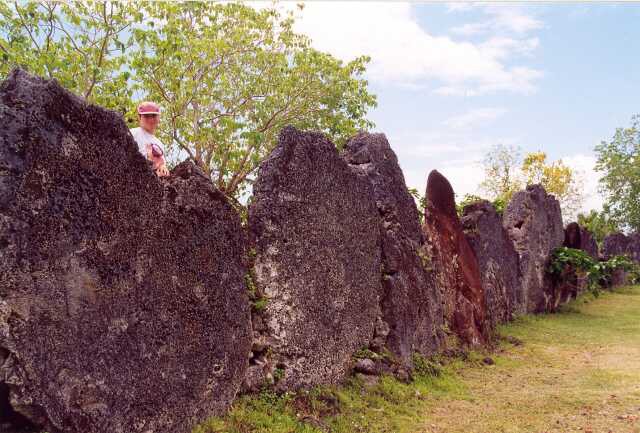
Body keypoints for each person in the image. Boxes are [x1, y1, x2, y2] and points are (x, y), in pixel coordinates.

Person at [129, 101, 170, 177]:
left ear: (159, 117)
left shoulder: (159, 143)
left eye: (154, 116)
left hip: (155, 183)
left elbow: (162, 165)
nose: (151, 119)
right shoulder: (133, 133)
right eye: (146, 116)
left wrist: (163, 167)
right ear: (139, 117)